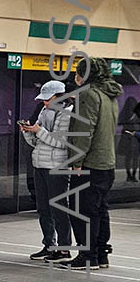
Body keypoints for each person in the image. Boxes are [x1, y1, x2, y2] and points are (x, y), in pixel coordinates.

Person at [66, 57, 121, 270]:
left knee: (81, 209)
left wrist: (76, 161)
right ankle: (100, 253)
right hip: (107, 162)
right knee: (99, 209)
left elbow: (84, 131)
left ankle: (86, 256)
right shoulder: (110, 95)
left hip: (90, 162)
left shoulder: (88, 95)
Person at [21, 81, 73, 263]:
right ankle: (49, 245)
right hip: (40, 164)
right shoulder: (44, 111)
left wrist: (39, 130)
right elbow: (37, 142)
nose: (44, 103)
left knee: (58, 208)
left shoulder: (68, 113)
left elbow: (61, 142)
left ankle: (64, 249)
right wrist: (28, 132)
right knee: (43, 208)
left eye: (47, 99)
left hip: (58, 167)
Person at [117, 96, 138, 182]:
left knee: (128, 157)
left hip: (127, 138)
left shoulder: (124, 114)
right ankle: (133, 175)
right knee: (135, 158)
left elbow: (120, 123)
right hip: (136, 138)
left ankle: (129, 175)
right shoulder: (137, 114)